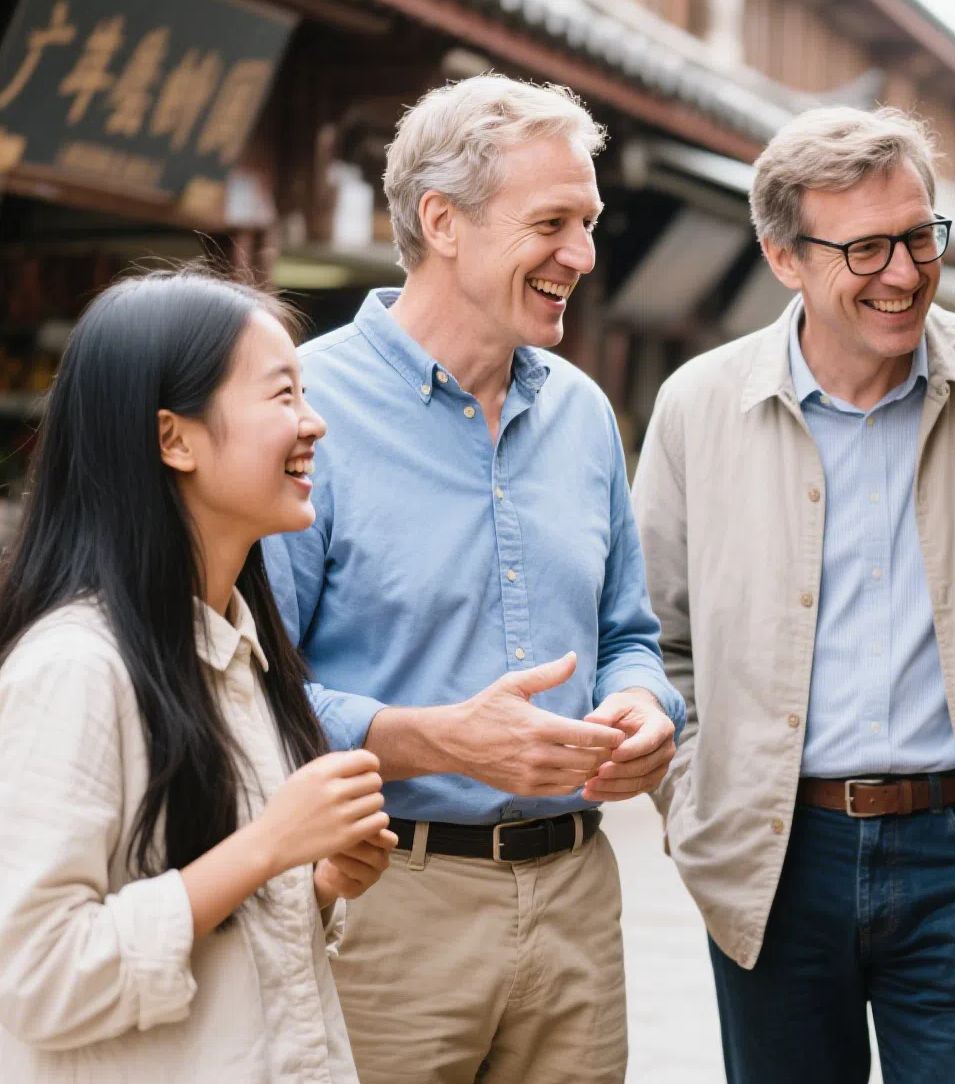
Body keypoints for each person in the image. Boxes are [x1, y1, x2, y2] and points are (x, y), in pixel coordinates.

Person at [632, 106, 955, 1084]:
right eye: (864, 248)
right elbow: (651, 637)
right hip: (770, 853)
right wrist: (692, 801)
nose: (902, 273)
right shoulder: (697, 407)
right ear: (783, 257)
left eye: (918, 235)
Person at [262, 76, 685, 1084]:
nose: (580, 255)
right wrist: (434, 736)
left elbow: (630, 628)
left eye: (585, 222)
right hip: (382, 898)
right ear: (441, 222)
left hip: (578, 893)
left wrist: (641, 701)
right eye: (550, 222)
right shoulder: (305, 408)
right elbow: (242, 690)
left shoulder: (583, 413)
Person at [0, 269, 397, 1080]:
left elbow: (210, 930)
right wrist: (266, 847)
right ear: (174, 438)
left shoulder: (237, 648)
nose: (313, 423)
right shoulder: (75, 668)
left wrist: (311, 881)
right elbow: (34, 979)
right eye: (281, 395)